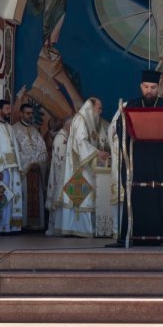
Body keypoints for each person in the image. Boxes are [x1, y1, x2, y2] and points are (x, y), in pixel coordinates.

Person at [112, 69, 163, 245]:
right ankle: (133, 235)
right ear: (141, 87)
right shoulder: (130, 106)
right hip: (137, 162)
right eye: (146, 87)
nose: (149, 91)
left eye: (153, 87)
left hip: (161, 163)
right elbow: (121, 130)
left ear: (159, 88)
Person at [52, 97, 108, 237]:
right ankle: (79, 228)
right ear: (91, 106)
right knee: (83, 196)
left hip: (86, 164)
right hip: (79, 166)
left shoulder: (89, 121)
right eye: (99, 108)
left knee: (86, 195)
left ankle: (82, 227)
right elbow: (80, 142)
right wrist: (97, 152)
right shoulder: (81, 119)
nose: (100, 112)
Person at [0, 99, 24, 234]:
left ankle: (6, 226)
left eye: (9, 109)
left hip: (11, 169)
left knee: (8, 198)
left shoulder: (8, 127)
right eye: (7, 109)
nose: (9, 111)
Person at [13, 101, 49, 231]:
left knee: (36, 198)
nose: (30, 115)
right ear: (21, 113)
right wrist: (29, 162)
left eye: (31, 113)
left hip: (36, 171)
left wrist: (38, 162)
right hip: (24, 171)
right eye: (27, 113)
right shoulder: (14, 129)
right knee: (24, 196)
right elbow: (15, 151)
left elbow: (43, 149)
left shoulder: (35, 130)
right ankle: (23, 223)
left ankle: (35, 224)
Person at [45, 118, 70, 236]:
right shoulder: (61, 138)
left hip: (62, 175)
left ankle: (60, 226)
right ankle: (56, 228)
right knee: (58, 199)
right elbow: (60, 160)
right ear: (68, 126)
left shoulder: (64, 136)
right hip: (60, 175)